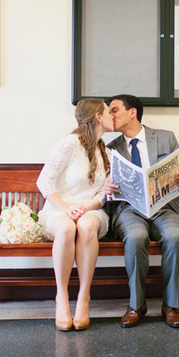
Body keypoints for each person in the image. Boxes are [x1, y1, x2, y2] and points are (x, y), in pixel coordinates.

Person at [103, 94, 179, 328]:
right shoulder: (109, 148)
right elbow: (102, 185)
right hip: (129, 210)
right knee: (135, 237)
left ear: (132, 112)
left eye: (114, 110)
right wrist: (106, 187)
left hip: (164, 207)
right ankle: (136, 305)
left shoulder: (165, 137)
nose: (110, 115)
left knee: (174, 237)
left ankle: (171, 305)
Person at [36, 98, 114, 331]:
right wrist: (67, 210)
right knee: (67, 228)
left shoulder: (106, 151)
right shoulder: (69, 144)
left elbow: (103, 192)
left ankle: (83, 298)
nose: (113, 116)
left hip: (91, 211)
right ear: (98, 117)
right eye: (109, 112)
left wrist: (86, 208)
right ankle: (61, 297)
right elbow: (44, 181)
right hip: (58, 210)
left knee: (87, 227)